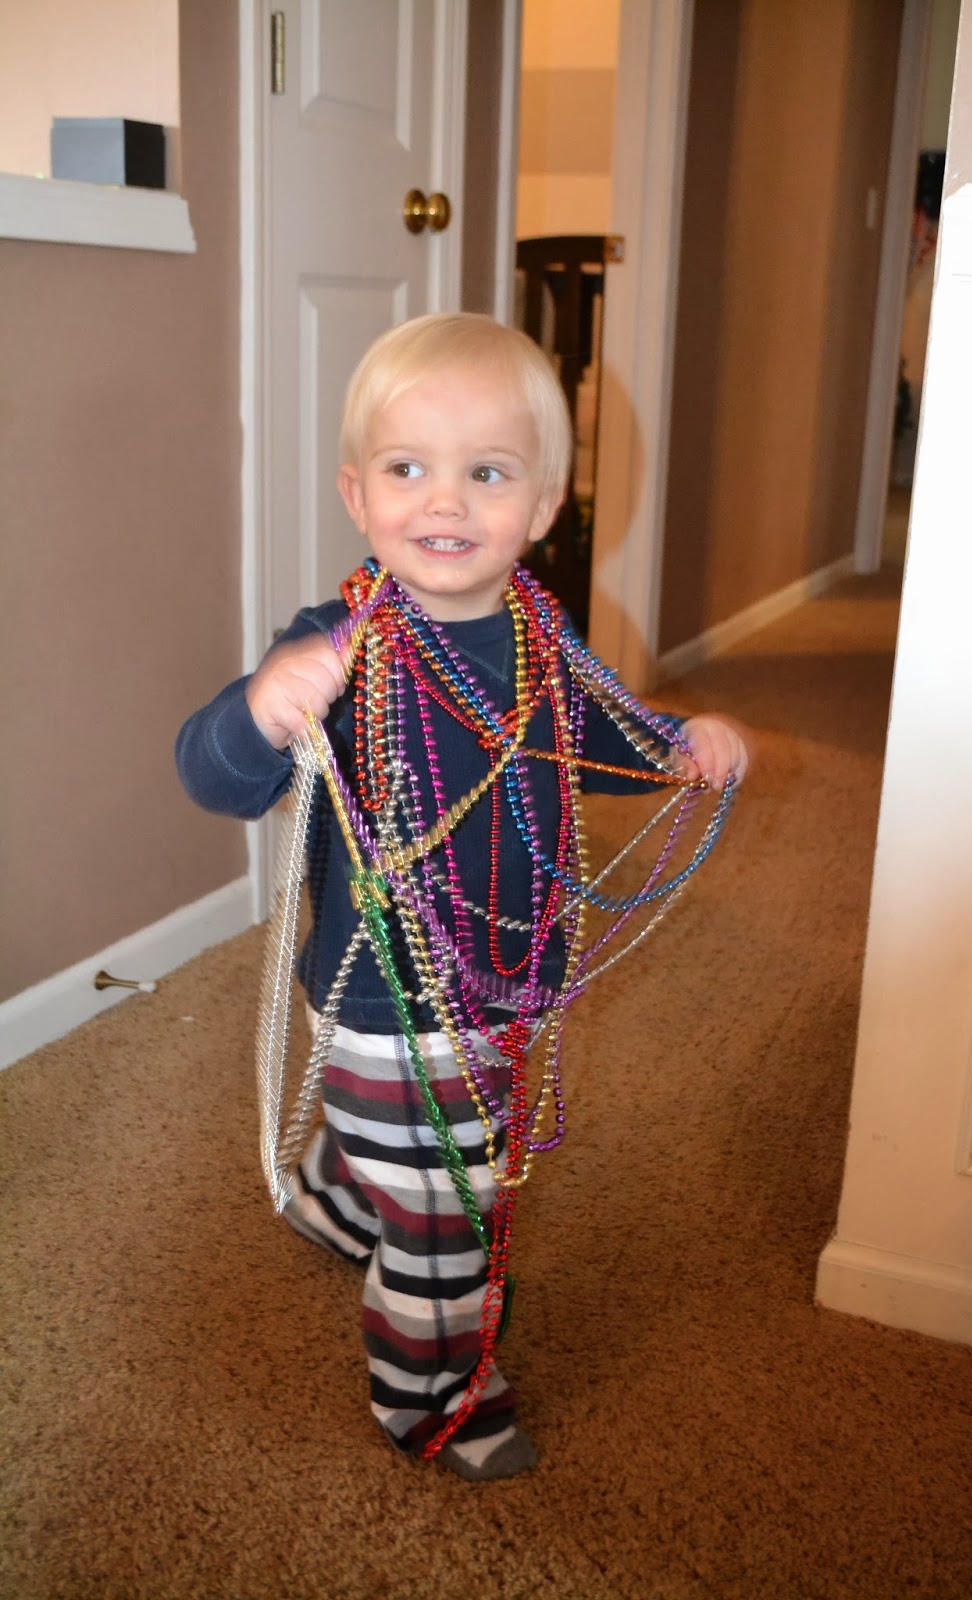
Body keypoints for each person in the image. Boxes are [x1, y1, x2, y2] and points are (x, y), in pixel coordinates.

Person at [176, 312, 749, 1481]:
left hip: (504, 976)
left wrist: (677, 742)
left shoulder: (540, 639)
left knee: (441, 1136)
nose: (444, 500)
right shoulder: (336, 648)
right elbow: (213, 776)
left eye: (487, 472)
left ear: (541, 507)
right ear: (356, 493)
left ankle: (341, 1197)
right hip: (383, 999)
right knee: (453, 1207)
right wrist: (261, 707)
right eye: (407, 469)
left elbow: (598, 730)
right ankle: (431, 1396)